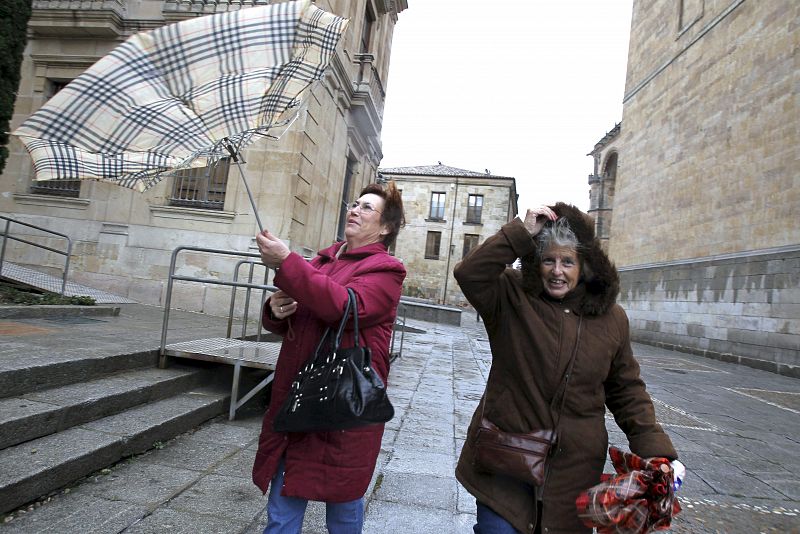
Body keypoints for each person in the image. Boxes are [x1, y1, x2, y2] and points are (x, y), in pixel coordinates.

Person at [454, 203, 679, 534]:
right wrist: (520, 232)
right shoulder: (511, 296)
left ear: (585, 265)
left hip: (573, 477)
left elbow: (626, 390)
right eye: (549, 260)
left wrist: (657, 452)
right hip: (506, 465)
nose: (557, 271)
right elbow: (469, 273)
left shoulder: (612, 319)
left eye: (568, 262)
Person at [252, 181, 406, 533]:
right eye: (355, 204)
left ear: (386, 227)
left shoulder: (387, 271)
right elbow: (304, 319)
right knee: (282, 510)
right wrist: (277, 310)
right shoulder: (321, 261)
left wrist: (288, 263)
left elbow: (345, 307)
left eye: (367, 207)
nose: (355, 210)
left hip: (343, 407)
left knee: (343, 505)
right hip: (299, 399)